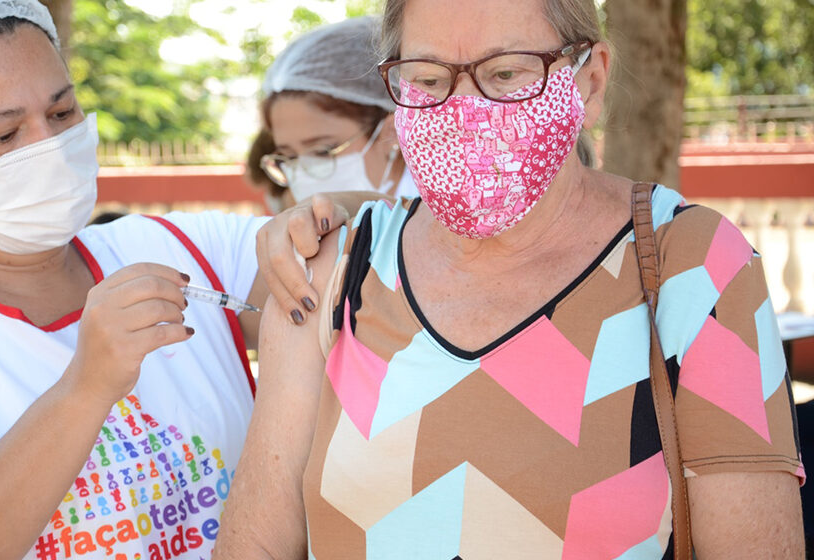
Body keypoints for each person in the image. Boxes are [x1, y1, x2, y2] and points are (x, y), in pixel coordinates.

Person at [214, 0, 806, 558]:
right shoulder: (334, 268)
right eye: (427, 79)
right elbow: (258, 545)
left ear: (589, 81)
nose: (464, 110)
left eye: (505, 74)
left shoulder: (694, 265)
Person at [0, 1, 350, 559]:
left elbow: (349, 262)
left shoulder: (178, 248)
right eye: (3, 136)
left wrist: (321, 218)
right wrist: (85, 389)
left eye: (63, 112)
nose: (46, 145)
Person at [258, 16, 418, 208]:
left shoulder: (443, 219)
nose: (303, 175)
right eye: (290, 158)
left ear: (392, 132)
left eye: (322, 151)